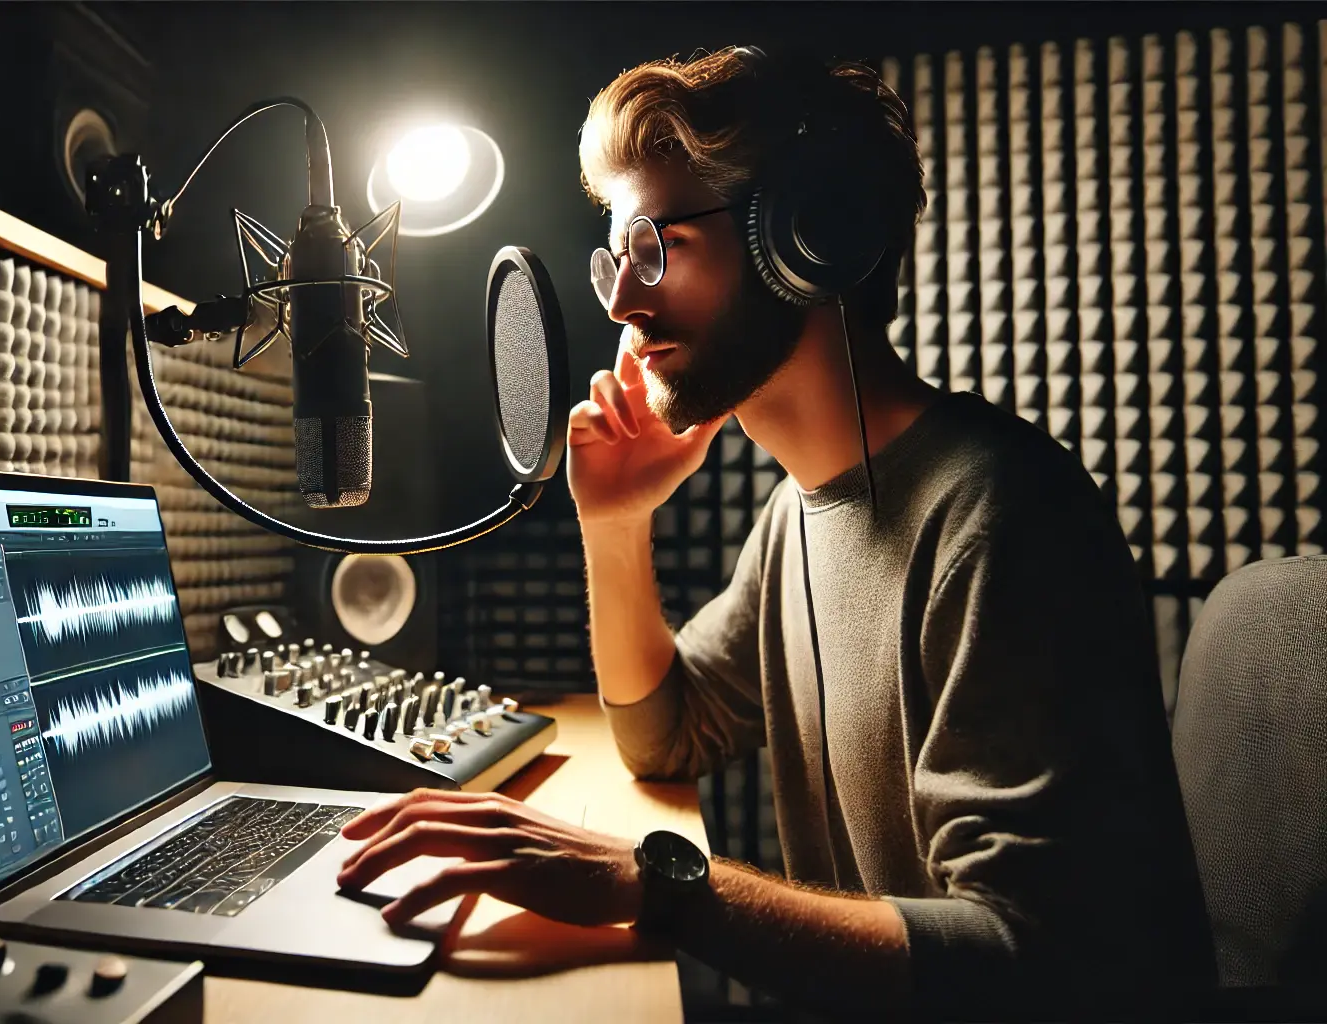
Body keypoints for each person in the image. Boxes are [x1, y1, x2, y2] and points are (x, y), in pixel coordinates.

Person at [335, 45, 1215, 1016]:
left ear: (800, 241)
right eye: (615, 262)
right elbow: (664, 736)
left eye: (656, 249)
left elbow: (1035, 963)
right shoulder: (799, 514)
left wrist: (651, 881)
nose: (625, 304)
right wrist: (615, 520)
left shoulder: (1001, 524)